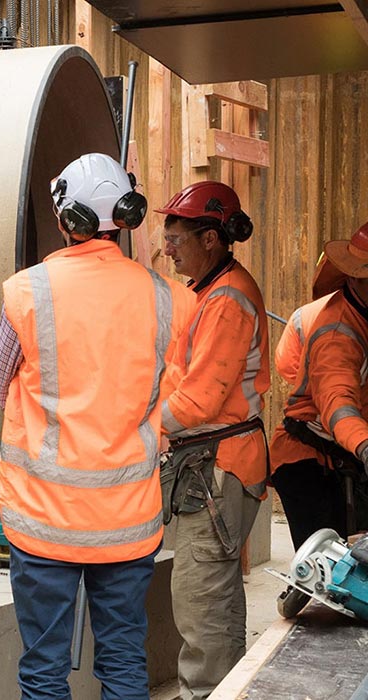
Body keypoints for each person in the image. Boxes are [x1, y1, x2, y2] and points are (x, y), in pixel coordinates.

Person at [0, 152, 195, 699]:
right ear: (124, 215)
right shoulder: (168, 298)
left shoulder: (26, 292)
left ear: (66, 218)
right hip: (128, 523)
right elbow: (175, 385)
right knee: (125, 663)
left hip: (43, 521)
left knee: (44, 669)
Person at [156, 181, 269, 700]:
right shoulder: (211, 291)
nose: (167, 247)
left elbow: (199, 401)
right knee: (215, 595)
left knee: (201, 596)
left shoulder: (227, 298)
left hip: (219, 463)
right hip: (214, 461)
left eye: (176, 236)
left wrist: (144, 429)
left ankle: (207, 693)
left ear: (211, 238)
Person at [270, 226, 368, 550]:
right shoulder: (337, 334)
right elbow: (337, 403)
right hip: (310, 459)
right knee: (330, 574)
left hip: (342, 452)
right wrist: (364, 445)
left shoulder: (359, 312)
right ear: (355, 278)